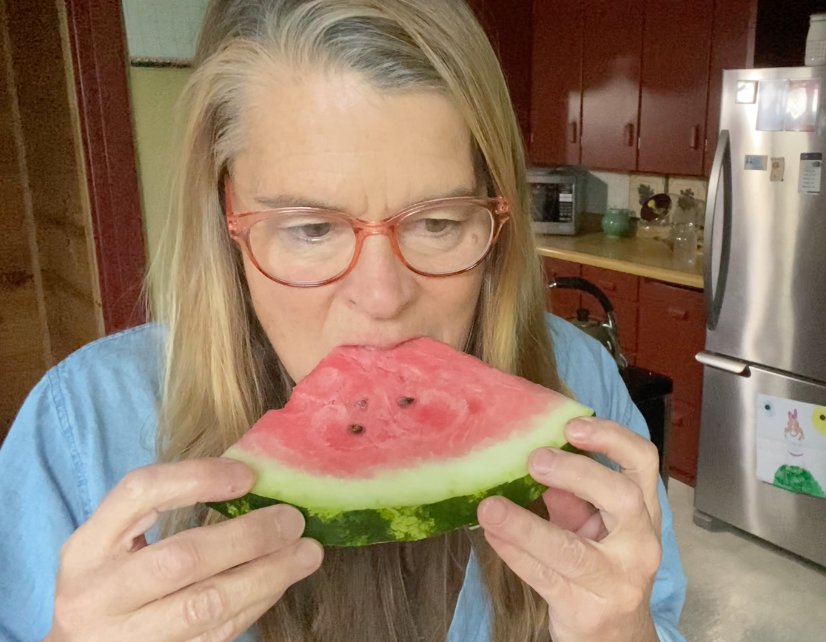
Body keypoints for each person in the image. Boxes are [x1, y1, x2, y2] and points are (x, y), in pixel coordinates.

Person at [0, 1, 687, 641]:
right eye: (309, 228)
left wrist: (624, 635)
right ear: (225, 221)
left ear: (495, 217)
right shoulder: (79, 428)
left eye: (439, 222)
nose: (382, 295)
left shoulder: (582, 388)